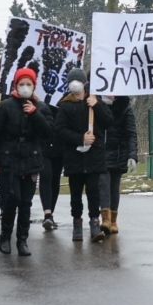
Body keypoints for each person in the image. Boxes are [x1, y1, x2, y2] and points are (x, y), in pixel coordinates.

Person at [0, 67, 52, 256]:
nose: (25, 87)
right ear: (15, 85)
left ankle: (22, 239)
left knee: (26, 202)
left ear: (34, 86)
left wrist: (34, 114)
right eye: (21, 84)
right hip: (9, 161)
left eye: (28, 84)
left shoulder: (41, 107)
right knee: (11, 199)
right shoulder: (5, 107)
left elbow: (48, 132)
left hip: (31, 161)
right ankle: (5, 236)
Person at [54, 67, 113, 242]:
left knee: (93, 192)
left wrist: (97, 106)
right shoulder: (64, 105)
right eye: (71, 81)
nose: (75, 84)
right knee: (76, 193)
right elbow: (60, 130)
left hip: (94, 157)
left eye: (78, 80)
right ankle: (77, 223)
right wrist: (80, 139)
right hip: (74, 158)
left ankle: (95, 223)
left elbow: (109, 121)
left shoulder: (94, 101)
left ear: (85, 83)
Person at [98, 95, 138, 235]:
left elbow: (131, 133)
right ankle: (105, 219)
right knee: (103, 184)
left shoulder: (125, 108)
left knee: (114, 187)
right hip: (101, 153)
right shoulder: (96, 105)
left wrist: (132, 155)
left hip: (119, 154)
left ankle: (113, 219)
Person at [38, 104, 63, 231]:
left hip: (60, 143)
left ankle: (50, 212)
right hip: (44, 144)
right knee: (46, 175)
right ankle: (47, 213)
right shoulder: (42, 103)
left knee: (55, 178)